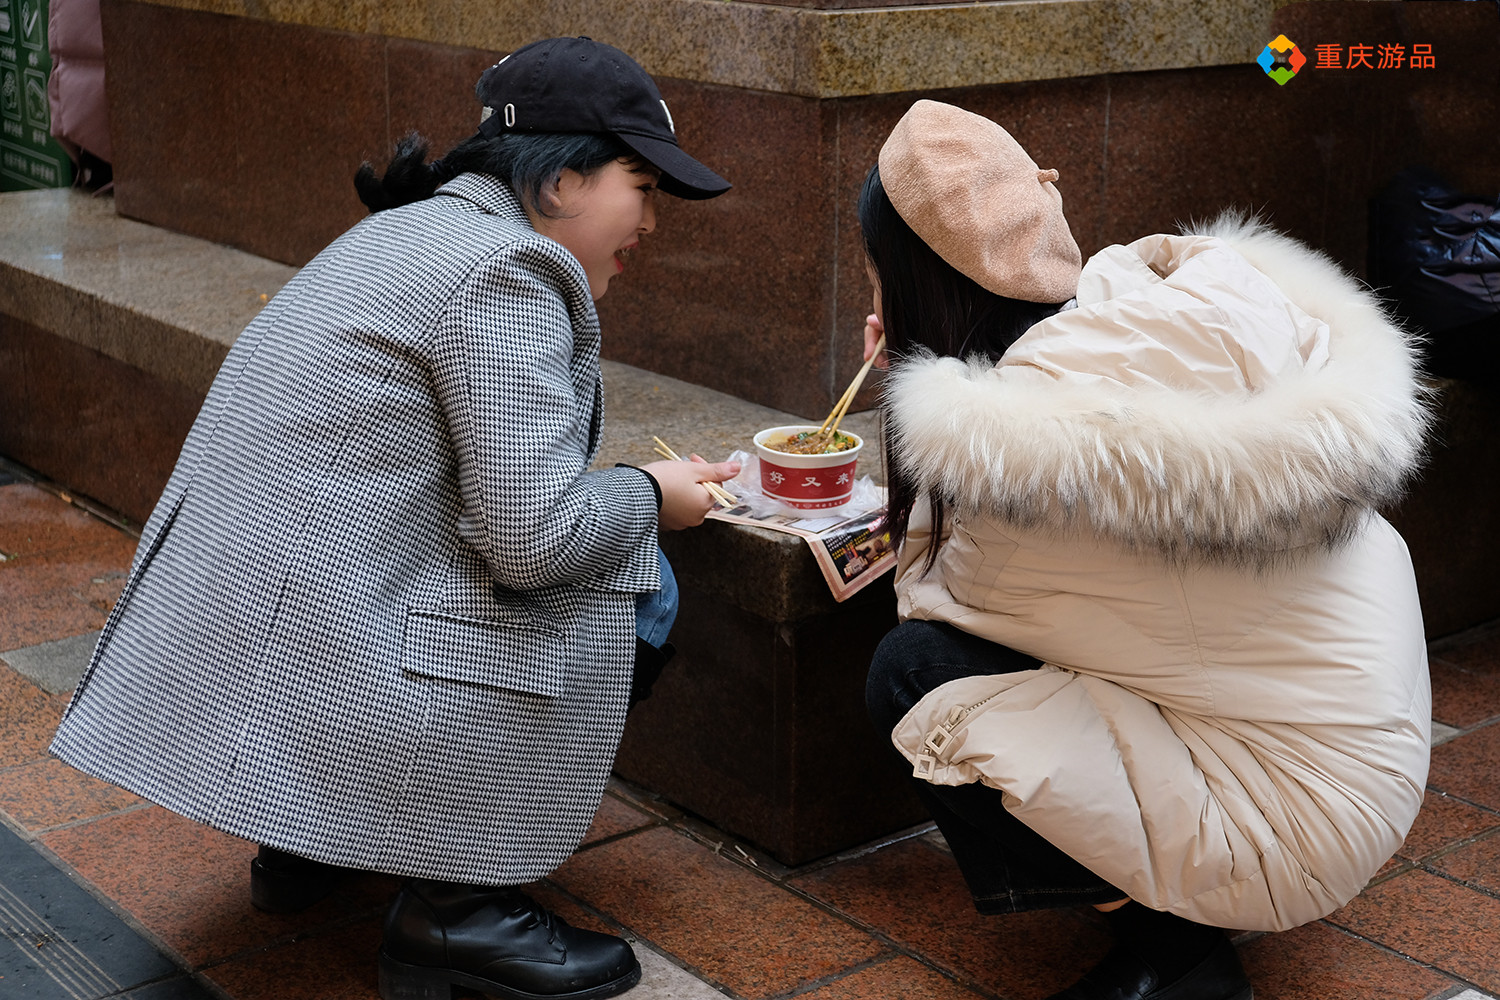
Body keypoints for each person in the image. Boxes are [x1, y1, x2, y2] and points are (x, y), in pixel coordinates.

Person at [50, 37, 737, 1000]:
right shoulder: (510, 269)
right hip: (320, 642)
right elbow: (535, 541)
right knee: (640, 583)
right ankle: (458, 908)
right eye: (644, 185)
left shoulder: (403, 233)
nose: (652, 221)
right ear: (562, 173)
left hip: (229, 643)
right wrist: (651, 498)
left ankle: (311, 837)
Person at [860, 101, 1431, 1000]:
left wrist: (909, 403)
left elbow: (931, 597)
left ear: (915, 284)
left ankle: (1177, 946)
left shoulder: (1035, 460)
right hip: (1367, 752)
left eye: (878, 275)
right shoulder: (1152, 308)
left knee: (914, 676)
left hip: (1294, 827)